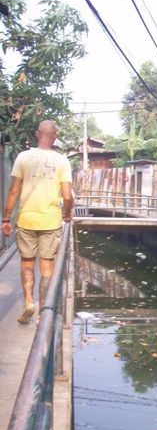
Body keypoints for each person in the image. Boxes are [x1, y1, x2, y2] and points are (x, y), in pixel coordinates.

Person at [1, 120, 73, 323]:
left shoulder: (23, 157)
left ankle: (29, 303)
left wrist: (6, 218)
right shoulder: (62, 161)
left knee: (26, 264)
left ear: (36, 134)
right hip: (50, 222)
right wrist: (67, 214)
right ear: (55, 136)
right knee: (47, 268)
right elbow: (67, 196)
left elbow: (14, 190)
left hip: (26, 221)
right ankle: (44, 312)